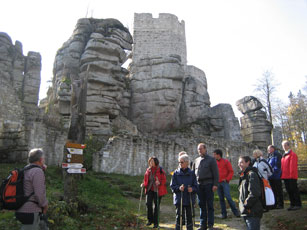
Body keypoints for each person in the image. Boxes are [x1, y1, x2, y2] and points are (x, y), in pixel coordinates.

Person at [15, 148, 49, 230]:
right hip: (30, 211)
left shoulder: (26, 169)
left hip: (21, 208)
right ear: (40, 160)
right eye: (44, 158)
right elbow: (39, 193)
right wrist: (44, 205)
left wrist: (42, 168)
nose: (44, 160)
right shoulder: (37, 172)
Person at [192, 143, 219, 230]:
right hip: (199, 185)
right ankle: (202, 224)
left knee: (209, 205)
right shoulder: (196, 160)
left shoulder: (211, 160)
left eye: (201, 149)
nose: (199, 150)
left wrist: (215, 184)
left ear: (205, 149)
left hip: (209, 184)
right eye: (198, 149)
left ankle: (210, 224)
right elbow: (193, 174)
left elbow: (216, 173)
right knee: (201, 204)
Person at [170, 154, 198, 230]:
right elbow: (172, 186)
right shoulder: (176, 173)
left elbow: (196, 186)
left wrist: (192, 189)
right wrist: (179, 188)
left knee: (189, 216)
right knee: (179, 216)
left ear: (187, 162)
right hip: (180, 198)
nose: (180, 164)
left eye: (181, 162)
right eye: (179, 162)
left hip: (189, 198)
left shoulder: (192, 173)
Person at [141, 156, 168, 228]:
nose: (150, 163)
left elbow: (164, 180)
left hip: (158, 190)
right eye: (150, 161)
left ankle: (156, 222)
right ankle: (150, 220)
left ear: (156, 162)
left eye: (152, 161)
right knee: (148, 203)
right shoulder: (148, 170)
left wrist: (159, 182)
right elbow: (146, 179)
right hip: (150, 189)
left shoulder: (160, 170)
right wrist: (143, 184)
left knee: (156, 206)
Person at [238, 156, 263, 230]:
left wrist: (246, 205)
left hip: (252, 211)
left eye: (241, 162)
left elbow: (254, 193)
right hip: (247, 211)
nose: (239, 164)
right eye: (238, 163)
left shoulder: (252, 174)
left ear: (248, 162)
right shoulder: (243, 175)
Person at [213, 149, 240, 219]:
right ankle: (224, 214)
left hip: (224, 182)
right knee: (221, 199)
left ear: (218, 155)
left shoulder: (226, 162)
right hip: (218, 183)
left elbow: (231, 171)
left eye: (215, 154)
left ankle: (236, 212)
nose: (213, 156)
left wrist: (227, 179)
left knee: (228, 197)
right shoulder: (214, 162)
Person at [281, 140, 302, 211]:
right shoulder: (284, 155)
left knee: (294, 190)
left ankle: (297, 204)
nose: (283, 147)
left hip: (291, 176)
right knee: (289, 190)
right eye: (283, 146)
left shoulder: (292, 154)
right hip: (285, 176)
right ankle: (292, 204)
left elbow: (292, 167)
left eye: (284, 145)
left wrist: (291, 176)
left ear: (288, 146)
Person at [267, 145, 284, 209]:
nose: (268, 150)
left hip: (276, 176)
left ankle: (280, 204)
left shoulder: (277, 155)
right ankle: (275, 203)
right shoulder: (270, 156)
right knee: (273, 190)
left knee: (278, 190)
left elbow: (278, 165)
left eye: (269, 149)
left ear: (273, 149)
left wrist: (272, 171)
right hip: (271, 176)